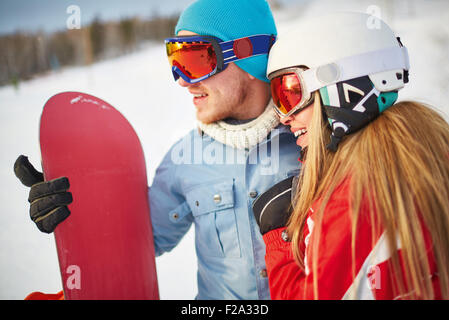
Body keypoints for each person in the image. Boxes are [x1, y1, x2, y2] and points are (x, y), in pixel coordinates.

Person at [14, 0, 301, 300]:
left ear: (248, 56)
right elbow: (136, 242)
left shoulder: (312, 139)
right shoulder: (186, 157)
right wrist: (77, 212)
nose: (182, 81)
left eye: (194, 60)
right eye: (175, 62)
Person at [252, 12, 449, 300]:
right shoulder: (426, 148)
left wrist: (280, 238)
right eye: (279, 97)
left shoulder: (359, 194)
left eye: (290, 93)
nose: (284, 117)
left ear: (342, 88)